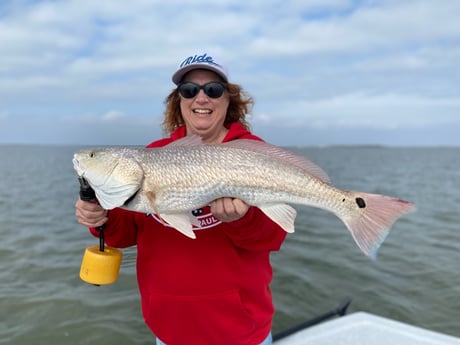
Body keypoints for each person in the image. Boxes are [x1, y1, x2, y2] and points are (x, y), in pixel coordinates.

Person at [75, 52, 287, 345]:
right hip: (169, 332)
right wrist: (102, 218)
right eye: (189, 90)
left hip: (240, 334)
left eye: (212, 90)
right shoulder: (154, 154)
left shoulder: (252, 153)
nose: (201, 98)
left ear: (228, 100)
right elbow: (126, 234)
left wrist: (243, 219)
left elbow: (273, 237)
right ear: (179, 100)